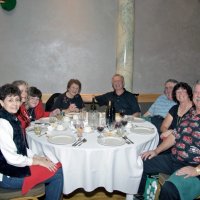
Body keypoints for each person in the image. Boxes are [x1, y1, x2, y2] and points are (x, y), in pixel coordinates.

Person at [136, 80, 200, 200]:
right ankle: (140, 195)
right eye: (197, 92)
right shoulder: (190, 113)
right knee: (142, 162)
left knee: (169, 189)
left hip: (193, 166)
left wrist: (197, 170)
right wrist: (155, 151)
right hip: (174, 159)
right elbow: (174, 135)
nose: (199, 96)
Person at [0, 84, 63, 200]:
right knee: (58, 173)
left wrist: (37, 156)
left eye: (17, 100)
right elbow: (12, 158)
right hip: (8, 175)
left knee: (55, 164)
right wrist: (37, 162)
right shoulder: (2, 124)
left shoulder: (12, 118)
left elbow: (20, 147)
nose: (15, 103)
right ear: (2, 103)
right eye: (10, 100)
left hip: (15, 167)